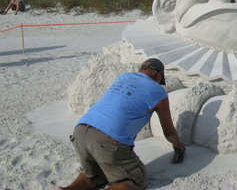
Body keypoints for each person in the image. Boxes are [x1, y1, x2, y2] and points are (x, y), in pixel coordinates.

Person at [58, 59, 185, 190]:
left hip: (80, 131)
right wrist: (178, 146)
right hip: (108, 140)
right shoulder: (158, 92)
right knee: (134, 181)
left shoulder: (124, 77)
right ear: (158, 76)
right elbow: (169, 132)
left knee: (93, 175)